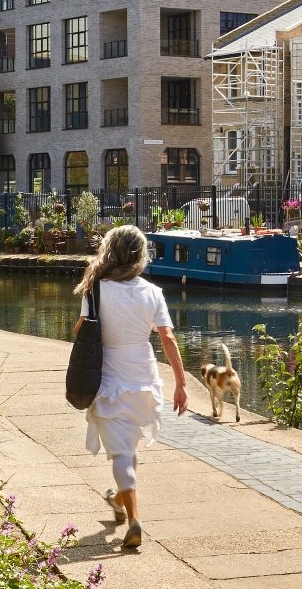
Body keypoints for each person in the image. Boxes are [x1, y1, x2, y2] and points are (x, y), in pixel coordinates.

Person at [72, 224, 188, 551]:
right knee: (129, 448)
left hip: (108, 377)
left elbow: (81, 330)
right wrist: (180, 383)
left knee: (121, 452)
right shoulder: (152, 292)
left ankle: (134, 517)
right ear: (141, 254)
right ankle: (120, 502)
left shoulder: (96, 289)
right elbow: (167, 337)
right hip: (144, 377)